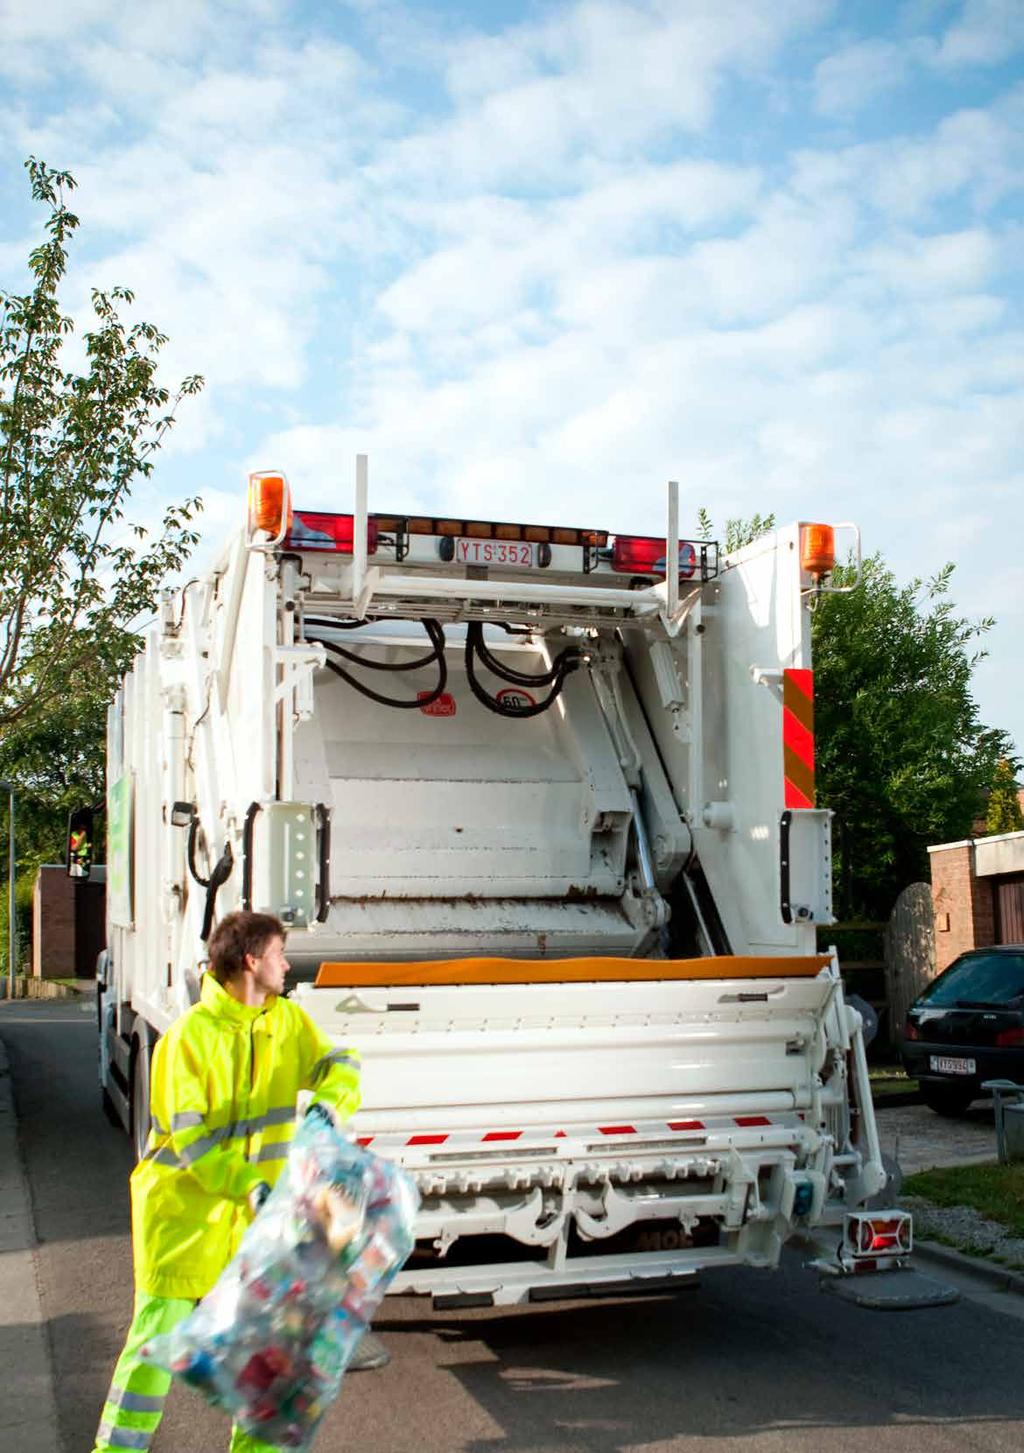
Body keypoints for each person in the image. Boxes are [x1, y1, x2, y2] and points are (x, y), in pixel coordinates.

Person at [91, 910, 382, 1453]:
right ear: (251, 961)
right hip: (182, 1220)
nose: (286, 964)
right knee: (155, 1351)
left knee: (262, 1359)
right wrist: (250, 1183)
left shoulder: (286, 1023)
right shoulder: (187, 1040)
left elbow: (341, 1061)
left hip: (252, 1222)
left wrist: (326, 1107)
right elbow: (192, 1143)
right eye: (278, 954)